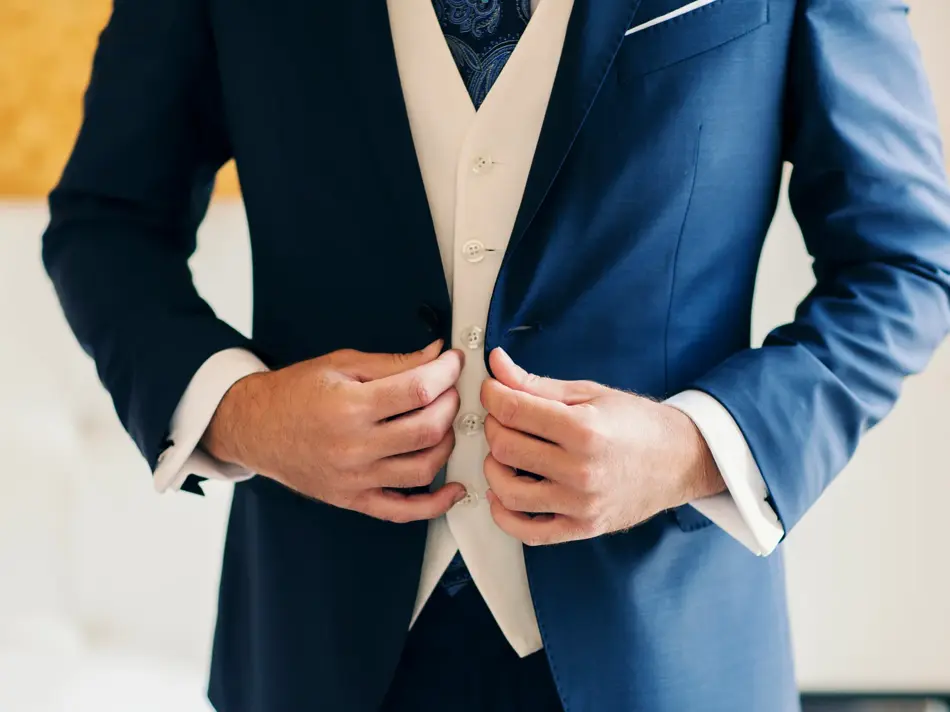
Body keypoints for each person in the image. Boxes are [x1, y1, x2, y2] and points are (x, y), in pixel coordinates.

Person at [42, 0, 950, 710]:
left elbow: (905, 262)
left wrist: (689, 449)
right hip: (315, 651)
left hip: (666, 656)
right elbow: (108, 223)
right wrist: (245, 415)